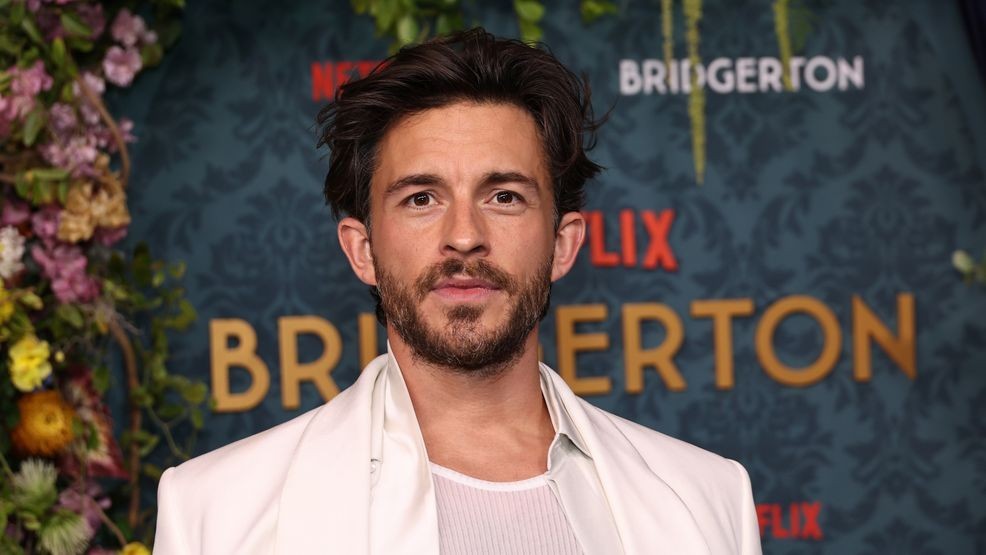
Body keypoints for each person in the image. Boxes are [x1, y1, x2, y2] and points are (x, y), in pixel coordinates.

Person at [153, 28, 761, 555]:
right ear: (362, 250)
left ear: (562, 243)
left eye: (504, 196)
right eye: (421, 198)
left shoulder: (705, 497)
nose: (464, 236)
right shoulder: (217, 510)